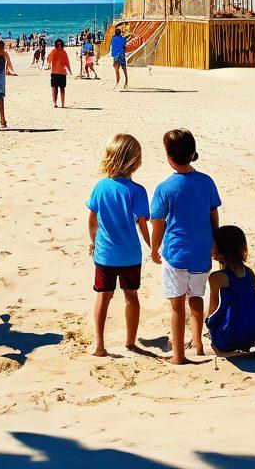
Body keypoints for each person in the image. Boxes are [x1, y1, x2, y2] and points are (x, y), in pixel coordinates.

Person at [149, 129, 222, 365]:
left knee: (176, 304)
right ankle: (198, 343)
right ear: (193, 154)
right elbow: (213, 214)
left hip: (176, 253)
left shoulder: (165, 188)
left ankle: (178, 355)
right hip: (201, 252)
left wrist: (153, 247)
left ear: (168, 157)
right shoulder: (206, 181)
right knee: (196, 297)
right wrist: (214, 242)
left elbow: (158, 223)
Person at [87, 134, 150, 357]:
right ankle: (130, 342)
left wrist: (93, 243)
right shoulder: (138, 191)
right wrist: (152, 247)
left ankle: (99, 345)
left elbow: (92, 221)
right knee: (131, 296)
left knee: (104, 296)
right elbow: (143, 224)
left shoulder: (100, 187)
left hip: (105, 255)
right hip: (131, 255)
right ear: (135, 161)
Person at [205, 225, 255, 358]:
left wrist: (207, 325)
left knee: (211, 323)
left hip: (231, 335)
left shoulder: (216, 277)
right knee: (248, 316)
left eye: (213, 245)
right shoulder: (249, 272)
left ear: (220, 249)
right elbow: (253, 299)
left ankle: (223, 352)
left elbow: (213, 308)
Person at [47, 38, 71, 108]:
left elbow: (67, 62)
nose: (59, 46)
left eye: (60, 45)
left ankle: (62, 103)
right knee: (55, 88)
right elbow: (49, 60)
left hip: (62, 72)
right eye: (58, 45)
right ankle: (55, 103)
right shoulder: (54, 51)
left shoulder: (63, 52)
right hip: (55, 72)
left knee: (62, 88)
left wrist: (69, 69)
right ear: (56, 45)